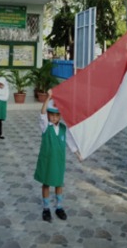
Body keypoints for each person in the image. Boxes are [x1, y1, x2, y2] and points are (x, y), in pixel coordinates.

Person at [34, 90, 82, 222]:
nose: (54, 118)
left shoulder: (63, 129)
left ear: (60, 116)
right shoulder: (45, 126)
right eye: (52, 115)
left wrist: (78, 154)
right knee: (46, 183)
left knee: (59, 183)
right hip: (47, 160)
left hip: (58, 161)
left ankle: (59, 207)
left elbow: (71, 143)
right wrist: (49, 97)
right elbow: (42, 113)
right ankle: (46, 208)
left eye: (57, 115)